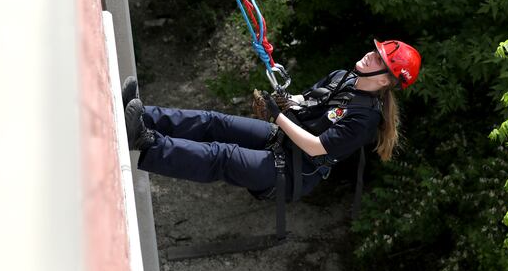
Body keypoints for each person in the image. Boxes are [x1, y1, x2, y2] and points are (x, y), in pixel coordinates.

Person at [124, 39, 421, 200]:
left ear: (386, 80)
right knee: (217, 122)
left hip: (293, 170)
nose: (371, 55)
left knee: (224, 157)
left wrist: (277, 116)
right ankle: (144, 114)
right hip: (282, 139)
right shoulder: (344, 77)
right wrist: (284, 101)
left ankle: (148, 141)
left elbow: (317, 147)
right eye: (375, 51)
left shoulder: (365, 118)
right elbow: (308, 100)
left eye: (380, 60)